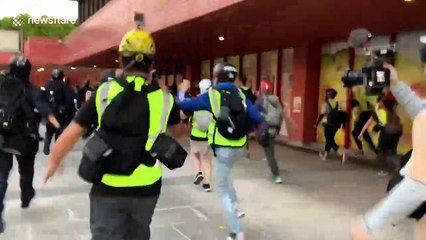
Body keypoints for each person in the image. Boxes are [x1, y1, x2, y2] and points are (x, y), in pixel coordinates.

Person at [44, 27, 184, 240]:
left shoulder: (104, 92)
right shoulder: (165, 99)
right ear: (152, 63)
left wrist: (53, 163)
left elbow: (72, 132)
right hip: (147, 188)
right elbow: (179, 131)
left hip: (107, 185)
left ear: (120, 60)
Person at [177, 63, 266, 240]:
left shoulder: (212, 95)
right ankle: (235, 207)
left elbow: (185, 104)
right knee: (226, 179)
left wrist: (182, 91)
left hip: (222, 147)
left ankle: (236, 231)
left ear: (217, 77)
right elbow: (258, 118)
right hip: (238, 147)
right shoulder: (240, 94)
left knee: (222, 188)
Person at [351, 45, 426, 240]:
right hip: (417, 183)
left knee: (363, 229)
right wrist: (395, 83)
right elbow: (418, 107)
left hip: (418, 183)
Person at [0, 56, 42, 232]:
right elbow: (44, 111)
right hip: (25, 140)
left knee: (1, 177)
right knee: (26, 170)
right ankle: (26, 194)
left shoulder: (2, 87)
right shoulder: (33, 91)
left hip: (2, 137)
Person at [358, 93, 402, 176]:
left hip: (388, 131)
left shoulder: (379, 109)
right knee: (392, 151)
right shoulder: (393, 108)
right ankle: (397, 168)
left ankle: (385, 170)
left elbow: (369, 122)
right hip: (397, 131)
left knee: (381, 151)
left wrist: (361, 133)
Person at [255, 80, 285, 184]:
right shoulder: (277, 100)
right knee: (271, 152)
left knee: (269, 154)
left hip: (264, 130)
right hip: (273, 129)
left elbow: (253, 114)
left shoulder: (260, 100)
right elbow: (281, 115)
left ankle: (276, 175)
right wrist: (277, 129)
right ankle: (275, 171)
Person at [190, 79, 214, 192]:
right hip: (208, 135)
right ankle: (207, 184)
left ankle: (198, 172)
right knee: (207, 160)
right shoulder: (214, 101)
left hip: (195, 134)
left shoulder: (196, 101)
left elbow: (185, 115)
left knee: (195, 154)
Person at [43, 69, 70, 155]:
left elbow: (43, 98)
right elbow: (68, 99)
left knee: (49, 131)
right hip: (60, 112)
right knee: (58, 132)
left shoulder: (48, 85)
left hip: (50, 111)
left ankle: (46, 148)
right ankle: (56, 149)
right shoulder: (64, 86)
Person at [315, 88, 345, 162]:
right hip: (336, 125)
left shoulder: (325, 103)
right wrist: (342, 125)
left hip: (329, 124)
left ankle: (340, 152)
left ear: (328, 95)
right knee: (329, 139)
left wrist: (316, 123)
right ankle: (325, 155)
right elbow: (341, 114)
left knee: (329, 139)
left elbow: (322, 114)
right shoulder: (337, 103)